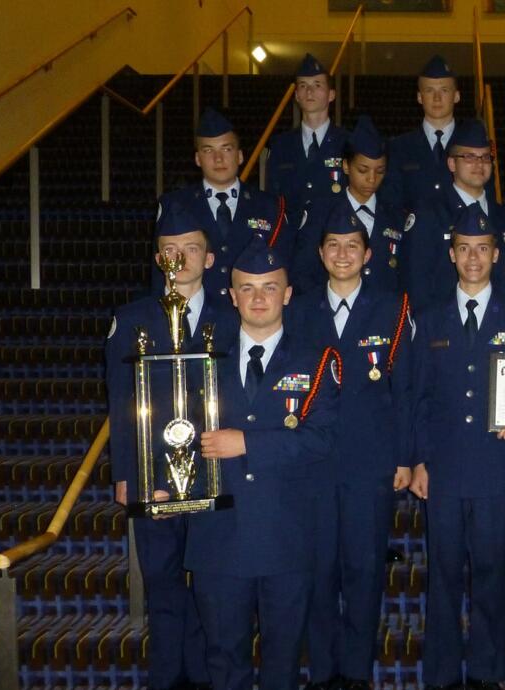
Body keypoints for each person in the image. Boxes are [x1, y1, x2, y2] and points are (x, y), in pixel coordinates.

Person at [184, 237, 342, 690]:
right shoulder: (200, 362)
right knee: (224, 658)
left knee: (282, 660)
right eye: (247, 288)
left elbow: (323, 439)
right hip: (219, 535)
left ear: (288, 294)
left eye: (270, 288)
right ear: (231, 295)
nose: (258, 298)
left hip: (287, 534)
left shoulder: (317, 362)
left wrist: (247, 443)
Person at [106, 203, 238, 690]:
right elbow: (120, 402)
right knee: (161, 581)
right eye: (169, 250)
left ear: (209, 257)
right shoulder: (132, 318)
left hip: (212, 470)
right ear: (157, 257)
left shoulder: (232, 319)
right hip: (153, 474)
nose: (180, 259)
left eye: (191, 249)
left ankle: (204, 675)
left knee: (210, 580)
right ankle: (166, 677)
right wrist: (127, 474)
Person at [407, 203, 505, 689]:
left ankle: (486, 673)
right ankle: (440, 674)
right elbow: (418, 396)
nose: (474, 258)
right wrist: (418, 458)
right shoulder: (430, 318)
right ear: (453, 255)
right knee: (440, 575)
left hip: (495, 466)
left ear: (497, 255)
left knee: (487, 575)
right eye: (465, 249)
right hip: (441, 467)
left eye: (483, 249)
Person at [295, 202, 413, 690]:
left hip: (371, 462)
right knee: (318, 569)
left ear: (368, 254)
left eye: (352, 246)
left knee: (364, 570)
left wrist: (405, 456)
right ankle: (323, 672)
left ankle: (358, 672)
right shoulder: (298, 309)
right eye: (333, 246)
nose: (343, 254)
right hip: (313, 464)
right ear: (321, 254)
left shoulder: (394, 308)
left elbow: (405, 388)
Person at [154, 108, 290, 298]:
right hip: (194, 318)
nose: (218, 159)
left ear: (240, 156)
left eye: (226, 149)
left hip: (250, 318)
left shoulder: (269, 206)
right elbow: (160, 274)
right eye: (208, 150)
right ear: (197, 158)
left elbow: (283, 268)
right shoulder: (175, 204)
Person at [403, 120, 505, 308]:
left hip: (499, 327)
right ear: (452, 163)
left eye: (485, 157)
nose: (479, 164)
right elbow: (416, 281)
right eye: (469, 157)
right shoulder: (429, 215)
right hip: (443, 325)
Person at [291, 115, 403, 295]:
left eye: (380, 171)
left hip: (382, 315)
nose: (372, 179)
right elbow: (302, 271)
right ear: (345, 166)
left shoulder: (394, 216)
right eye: (363, 170)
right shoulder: (321, 212)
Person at [383, 55, 490, 214]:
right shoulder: (399, 147)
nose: (437, 98)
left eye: (444, 90)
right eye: (429, 90)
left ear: (457, 96)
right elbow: (391, 203)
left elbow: (486, 196)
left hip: (464, 234)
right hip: (416, 236)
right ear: (419, 97)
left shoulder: (474, 146)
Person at [266, 53, 350, 226]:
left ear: (331, 94)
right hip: (292, 242)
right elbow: (272, 199)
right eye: (303, 86)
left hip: (334, 240)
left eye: (317, 85)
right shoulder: (280, 145)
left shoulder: (347, 142)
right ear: (296, 95)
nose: (309, 91)